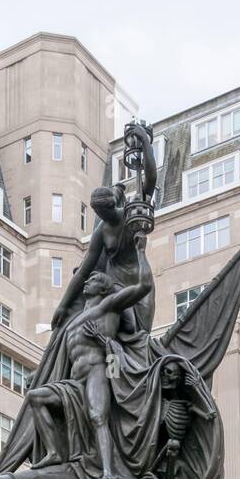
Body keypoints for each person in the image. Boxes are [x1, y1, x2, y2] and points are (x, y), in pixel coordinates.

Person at [26, 238, 152, 479]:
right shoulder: (74, 320)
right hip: (74, 381)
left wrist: (140, 250)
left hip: (97, 372)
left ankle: (108, 471)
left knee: (98, 417)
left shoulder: (109, 306)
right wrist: (38, 375)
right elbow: (58, 360)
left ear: (103, 288)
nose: (86, 281)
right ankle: (53, 452)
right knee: (36, 397)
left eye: (92, 279)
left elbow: (143, 286)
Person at [51, 122, 157, 336]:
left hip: (138, 281)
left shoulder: (130, 214)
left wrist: (145, 143)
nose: (100, 217)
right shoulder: (102, 229)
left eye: (102, 212)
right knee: (91, 320)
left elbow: (151, 179)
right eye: (97, 213)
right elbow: (82, 273)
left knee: (136, 334)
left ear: (110, 206)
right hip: (112, 282)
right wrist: (63, 305)